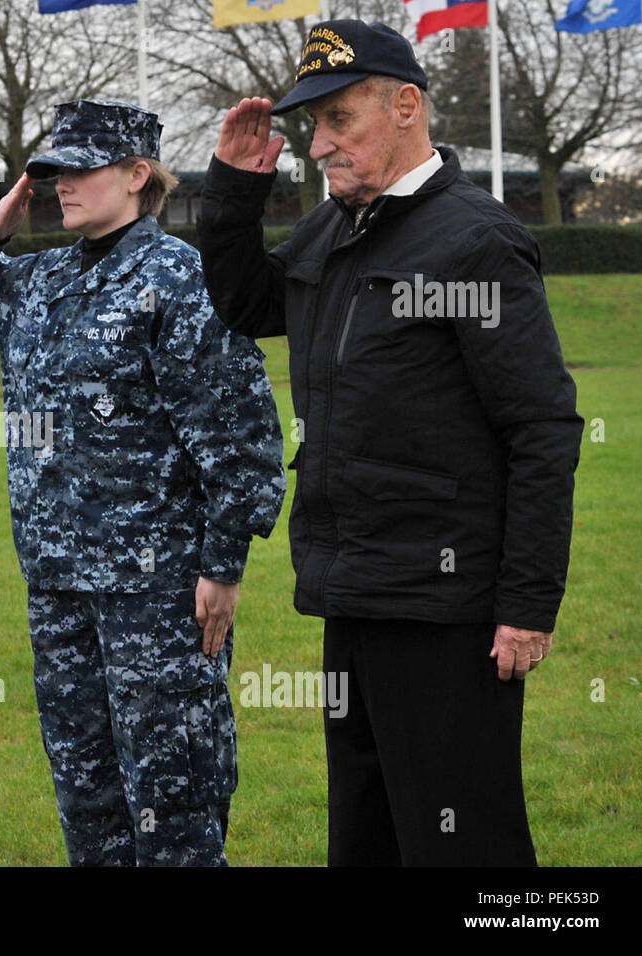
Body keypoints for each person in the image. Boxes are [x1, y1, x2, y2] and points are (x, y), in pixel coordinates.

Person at [195, 20, 584, 866]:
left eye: (339, 120)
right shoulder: (337, 229)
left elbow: (543, 427)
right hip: (355, 588)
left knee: (461, 844)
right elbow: (247, 305)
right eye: (312, 128)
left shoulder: (474, 240)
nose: (320, 146)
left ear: (406, 106)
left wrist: (526, 603)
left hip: (446, 606)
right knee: (365, 835)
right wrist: (232, 190)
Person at [0, 99, 285, 866]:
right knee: (88, 795)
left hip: (159, 585)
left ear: (137, 174)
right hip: (58, 584)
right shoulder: (34, 279)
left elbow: (240, 435)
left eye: (80, 169)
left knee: (174, 791)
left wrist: (223, 564)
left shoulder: (179, 277)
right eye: (50, 171)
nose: (60, 185)